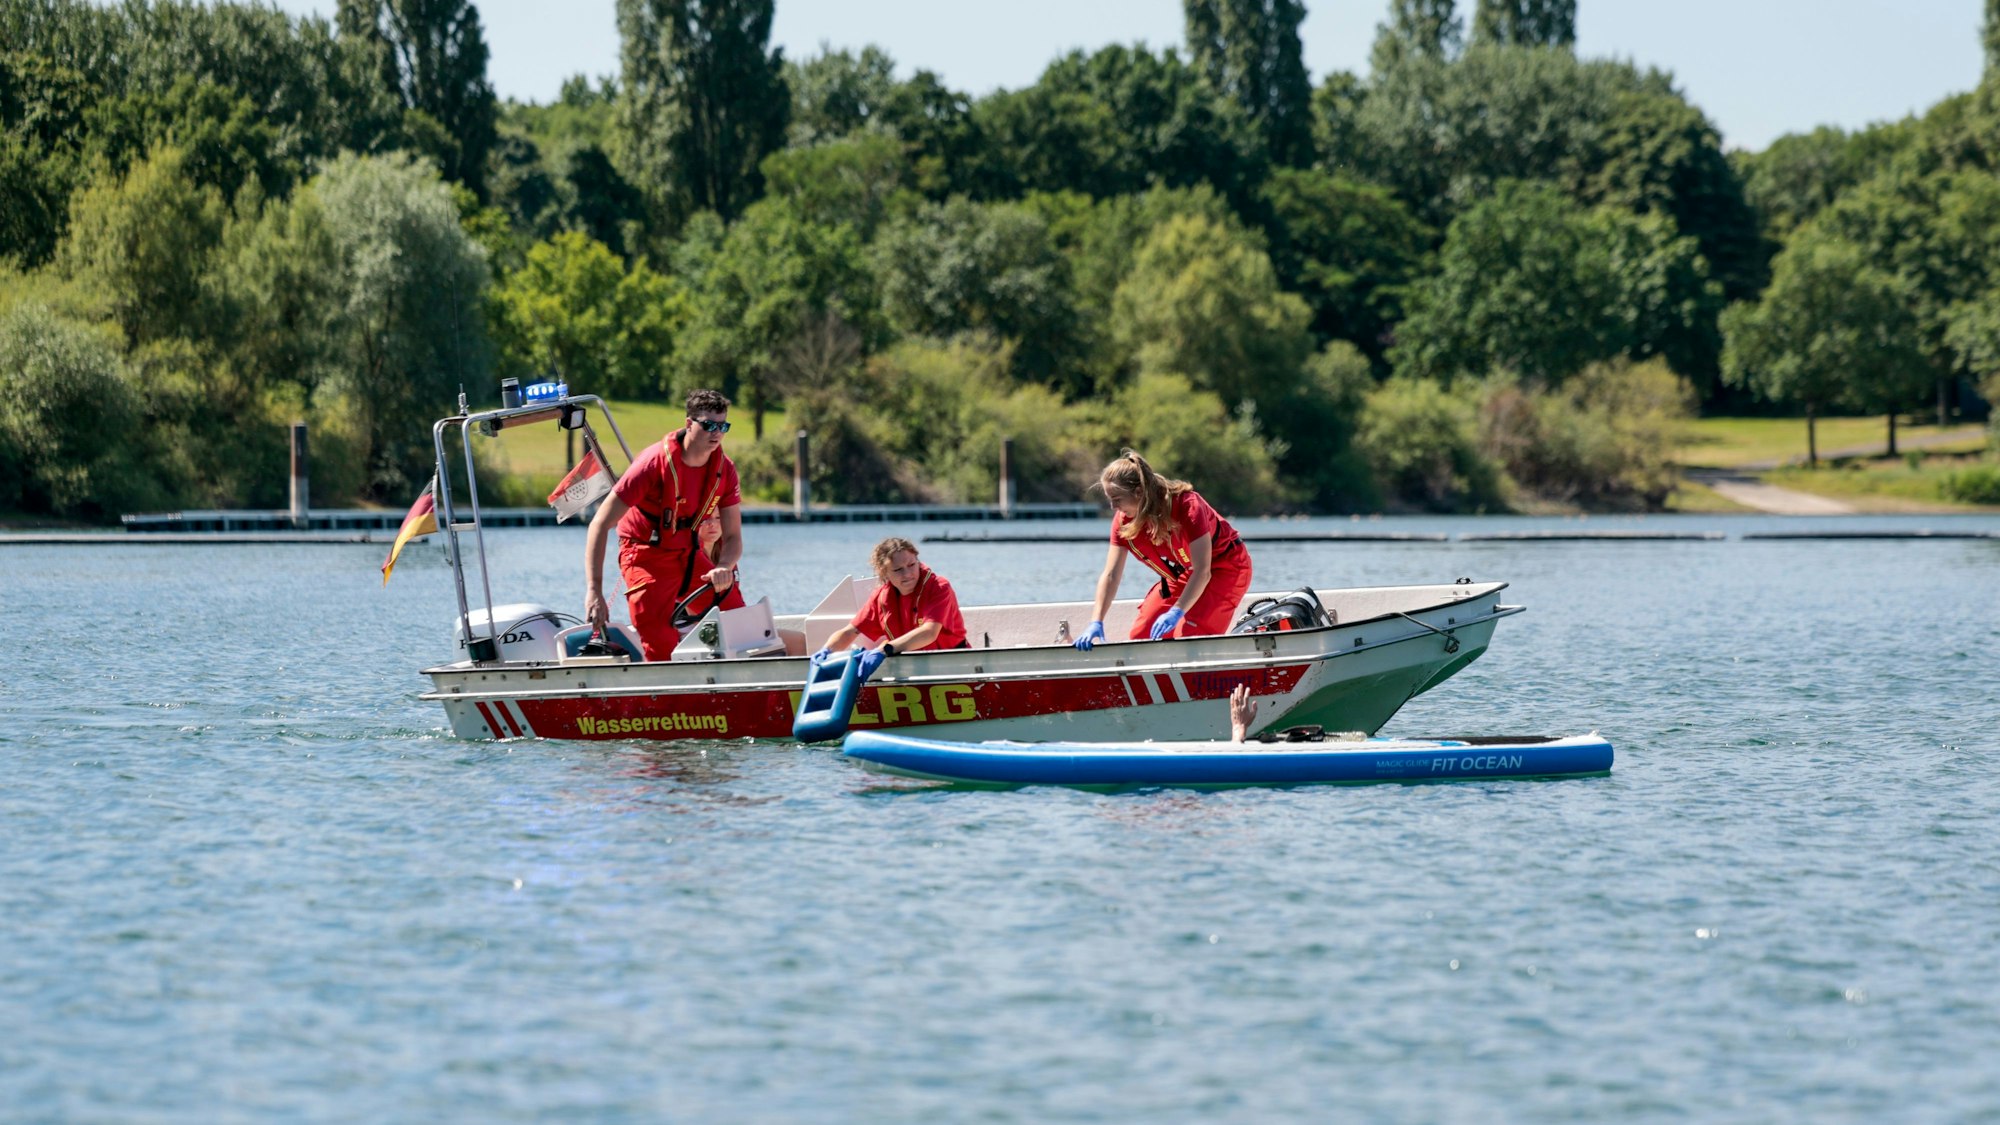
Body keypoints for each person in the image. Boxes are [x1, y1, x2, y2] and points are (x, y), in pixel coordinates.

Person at [584, 389, 744, 661]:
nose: (716, 433)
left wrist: (722, 567)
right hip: (644, 556)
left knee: (738, 620)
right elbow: (599, 524)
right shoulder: (651, 464)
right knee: (661, 643)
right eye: (708, 425)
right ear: (689, 424)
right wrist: (594, 591)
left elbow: (733, 538)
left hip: (688, 555)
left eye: (722, 426)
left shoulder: (725, 469)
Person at [1072, 449, 1254, 650]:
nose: (1113, 507)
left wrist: (1177, 611)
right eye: (1109, 499)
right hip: (1185, 573)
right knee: (1141, 636)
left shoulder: (1187, 506)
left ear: (1139, 493)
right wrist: (1096, 621)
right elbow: (1111, 575)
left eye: (1117, 499)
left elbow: (1203, 570)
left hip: (1226, 567)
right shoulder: (1122, 523)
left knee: (1190, 637)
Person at [815, 537, 968, 671]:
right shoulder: (881, 598)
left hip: (954, 664)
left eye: (912, 565)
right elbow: (849, 632)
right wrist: (826, 652)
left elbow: (929, 632)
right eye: (898, 570)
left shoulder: (939, 587)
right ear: (884, 572)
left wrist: (884, 650)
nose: (907, 574)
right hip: (909, 667)